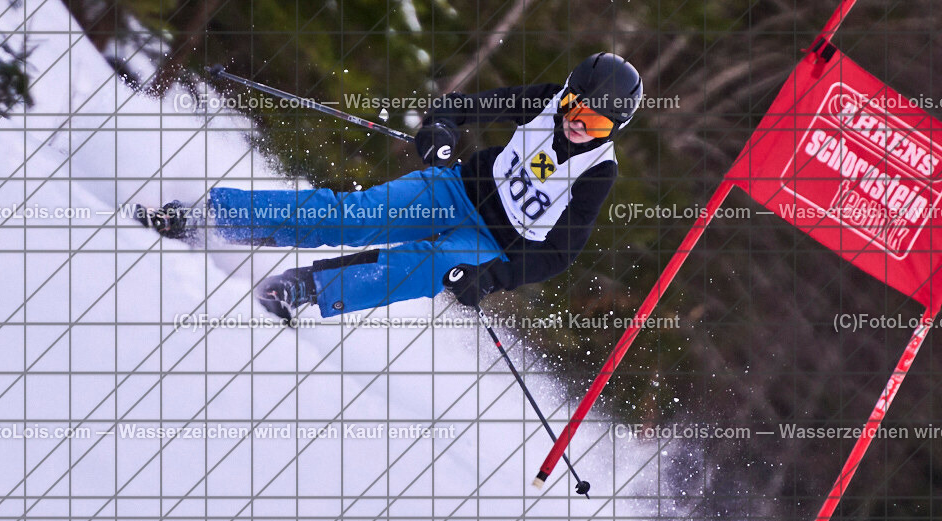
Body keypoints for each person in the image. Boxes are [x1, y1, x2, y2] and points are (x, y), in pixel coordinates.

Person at [136, 53, 642, 321]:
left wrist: (493, 277)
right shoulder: (545, 101)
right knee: (351, 217)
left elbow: (560, 252)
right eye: (575, 108)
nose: (578, 124)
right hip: (458, 189)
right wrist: (440, 129)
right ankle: (206, 217)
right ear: (566, 95)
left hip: (492, 241)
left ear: (614, 129)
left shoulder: (598, 172)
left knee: (424, 268)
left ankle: (303, 288)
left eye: (596, 124)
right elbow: (466, 107)